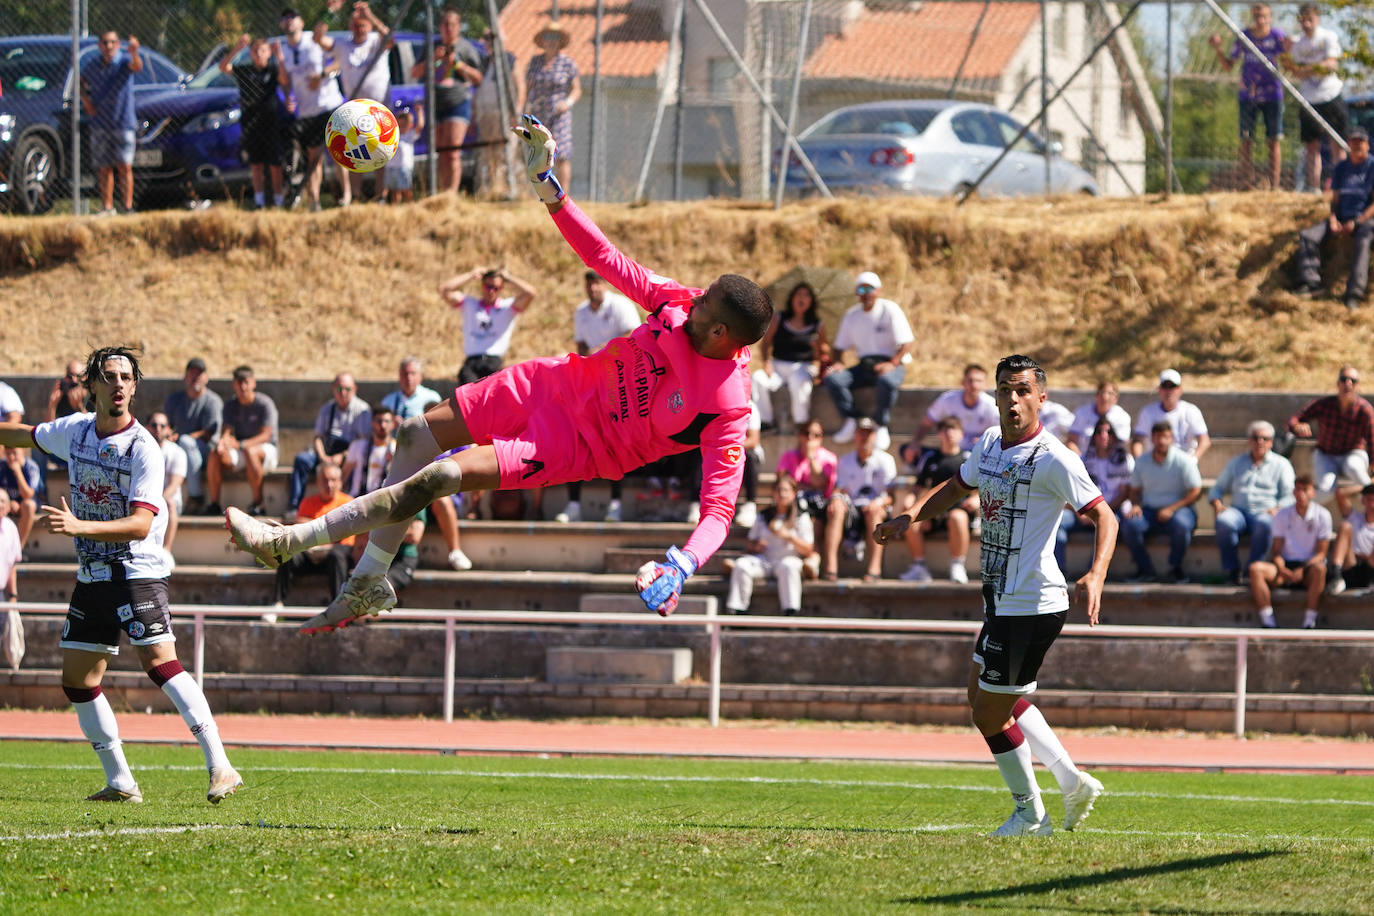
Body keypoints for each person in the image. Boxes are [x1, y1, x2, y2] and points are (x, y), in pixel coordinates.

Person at [226, 113, 773, 632]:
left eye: (706, 304)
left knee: (441, 476)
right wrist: (547, 184)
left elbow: (721, 511)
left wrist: (681, 565)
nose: (694, 299)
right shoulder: (682, 304)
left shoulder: (725, 404)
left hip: (573, 443)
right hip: (551, 382)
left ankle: (289, 541)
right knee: (416, 435)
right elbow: (609, 260)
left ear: (722, 334)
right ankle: (370, 579)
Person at [875, 354, 1115, 837]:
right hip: (1002, 600)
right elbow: (955, 487)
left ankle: (1030, 815)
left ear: (1041, 398)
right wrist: (911, 516)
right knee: (984, 693)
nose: (1013, 399)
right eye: (1005, 389)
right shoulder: (987, 443)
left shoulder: (1054, 457)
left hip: (1033, 602)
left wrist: (1096, 574)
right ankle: (1071, 781)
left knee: (988, 709)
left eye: (1023, 390)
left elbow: (1104, 515)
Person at [0, 347, 240, 804]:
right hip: (93, 574)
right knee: (78, 680)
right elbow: (26, 435)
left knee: (160, 664)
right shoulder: (73, 430)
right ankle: (121, 781)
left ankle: (221, 765)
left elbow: (142, 523)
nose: (119, 385)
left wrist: (79, 527)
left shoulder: (143, 448)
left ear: (134, 386)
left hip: (135, 571)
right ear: (92, 386)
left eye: (127, 378)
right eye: (109, 377)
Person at [554, 269, 643, 522]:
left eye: (598, 284)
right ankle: (573, 504)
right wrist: (584, 361)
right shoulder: (581, 311)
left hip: (620, 380)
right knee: (579, 437)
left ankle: (615, 503)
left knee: (616, 441)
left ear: (606, 285)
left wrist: (600, 352)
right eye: (589, 285)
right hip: (592, 380)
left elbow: (632, 337)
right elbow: (581, 345)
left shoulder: (621, 305)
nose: (593, 289)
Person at [822, 271, 913, 450]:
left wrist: (892, 363)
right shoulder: (851, 316)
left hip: (892, 362)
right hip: (864, 365)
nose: (866, 293)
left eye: (869, 288)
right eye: (861, 289)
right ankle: (851, 419)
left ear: (878, 290)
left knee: (887, 382)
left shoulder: (890, 309)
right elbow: (839, 346)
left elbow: (907, 342)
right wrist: (838, 362)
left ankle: (880, 424)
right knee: (834, 379)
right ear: (857, 292)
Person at [1292, 129, 1374, 311]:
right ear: (1349, 144)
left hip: (1365, 220)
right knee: (1308, 236)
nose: (1357, 145)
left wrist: (1358, 222)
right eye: (1353, 142)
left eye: (1361, 142)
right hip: (1342, 217)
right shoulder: (1341, 168)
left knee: (1363, 240)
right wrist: (1333, 219)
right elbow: (1335, 199)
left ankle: (1354, 293)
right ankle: (1311, 282)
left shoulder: (1372, 167)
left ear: (1368, 145)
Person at [1209, 3, 1286, 190]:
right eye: (1257, 16)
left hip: (1271, 94)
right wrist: (1218, 49)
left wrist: (1292, 52)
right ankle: (1246, 184)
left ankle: (1274, 186)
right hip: (1248, 96)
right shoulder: (1244, 37)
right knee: (1246, 140)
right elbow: (1229, 65)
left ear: (1270, 17)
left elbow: (1288, 62)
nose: (1260, 20)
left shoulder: (1277, 37)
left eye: (1264, 16)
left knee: (1273, 140)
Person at [1209, 420, 1295, 586]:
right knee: (1224, 520)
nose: (1259, 442)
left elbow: (1289, 497)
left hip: (1265, 512)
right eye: (1255, 438)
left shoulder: (1282, 465)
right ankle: (1232, 570)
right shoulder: (1236, 462)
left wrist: (1276, 509)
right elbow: (1217, 488)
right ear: (1249, 441)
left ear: (1271, 442)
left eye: (1265, 438)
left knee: (1265, 524)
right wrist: (1218, 505)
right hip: (1239, 511)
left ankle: (1251, 571)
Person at [324, 1, 393, 205]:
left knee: (381, 151)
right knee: (356, 154)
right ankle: (356, 195)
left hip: (378, 108)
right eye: (355, 25)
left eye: (363, 25)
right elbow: (319, 38)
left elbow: (390, 38)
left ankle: (380, 195)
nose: (359, 28)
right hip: (355, 109)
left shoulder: (375, 41)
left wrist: (369, 14)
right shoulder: (344, 45)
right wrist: (329, 12)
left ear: (369, 27)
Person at [410, 6, 484, 194]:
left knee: (452, 151)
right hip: (435, 104)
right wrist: (434, 59)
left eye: (452, 24)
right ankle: (442, 193)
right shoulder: (432, 47)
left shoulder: (466, 48)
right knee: (441, 152)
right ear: (440, 27)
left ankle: (451, 193)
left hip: (457, 103)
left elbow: (478, 78)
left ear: (458, 26)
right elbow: (415, 72)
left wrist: (457, 64)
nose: (448, 28)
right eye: (445, 24)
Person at [1287, 364, 1374, 519]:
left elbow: (1372, 439)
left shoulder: (1365, 410)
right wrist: (1298, 425)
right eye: (1343, 379)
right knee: (1326, 488)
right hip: (1325, 454)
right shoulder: (1324, 404)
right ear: (1337, 383)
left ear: (1358, 386)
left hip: (1353, 453)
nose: (1347, 383)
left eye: (1352, 380)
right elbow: (1294, 419)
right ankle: (1295, 511)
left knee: (1360, 475)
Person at [279, 7, 344, 211]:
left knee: (338, 151)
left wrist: (322, 75)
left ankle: (348, 196)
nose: (289, 21)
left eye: (293, 17)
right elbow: (286, 81)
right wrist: (288, 96)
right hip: (307, 111)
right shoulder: (282, 49)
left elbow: (340, 60)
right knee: (313, 157)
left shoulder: (313, 42)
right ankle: (314, 201)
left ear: (301, 23)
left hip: (328, 103)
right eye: (285, 18)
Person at [1120, 421, 1202, 584]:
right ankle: (1145, 570)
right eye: (1158, 437)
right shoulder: (1142, 462)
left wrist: (1172, 509)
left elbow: (1196, 491)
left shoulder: (1184, 460)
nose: (1161, 441)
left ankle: (1176, 569)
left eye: (1165, 437)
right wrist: (1135, 504)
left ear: (1171, 439)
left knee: (1182, 525)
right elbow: (1134, 491)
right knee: (1130, 525)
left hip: (1180, 509)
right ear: (1152, 439)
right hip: (1150, 510)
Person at [898, 416, 976, 584]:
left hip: (959, 510)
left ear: (961, 434)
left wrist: (976, 500)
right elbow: (918, 486)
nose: (949, 433)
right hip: (934, 511)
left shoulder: (968, 459)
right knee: (909, 519)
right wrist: (910, 501)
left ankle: (957, 565)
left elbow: (980, 488)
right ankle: (919, 567)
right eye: (945, 429)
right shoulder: (931, 458)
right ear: (939, 434)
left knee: (957, 516)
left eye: (953, 429)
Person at [724, 476, 814, 616]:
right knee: (741, 565)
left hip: (788, 558)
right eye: (778, 490)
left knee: (788, 566)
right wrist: (756, 546)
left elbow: (808, 550)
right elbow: (750, 543)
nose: (782, 494)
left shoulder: (801, 517)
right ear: (773, 493)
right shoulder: (764, 515)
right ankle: (737, 611)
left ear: (793, 493)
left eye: (785, 490)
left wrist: (789, 537)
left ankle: (791, 611)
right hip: (764, 560)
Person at [1250, 475, 1331, 629]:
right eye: (1298, 489)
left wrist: (1303, 569)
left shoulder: (1323, 515)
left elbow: (1321, 553)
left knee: (1320, 570)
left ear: (1313, 493)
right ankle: (1268, 622)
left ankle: (1309, 622)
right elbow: (1277, 551)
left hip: (1308, 568)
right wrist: (1282, 569)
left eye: (1305, 489)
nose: (1301, 493)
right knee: (1255, 569)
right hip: (1285, 567)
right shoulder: (1281, 515)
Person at [1284, 4, 1348, 194]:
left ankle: (1341, 186)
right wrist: (1287, 53)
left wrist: (1306, 69)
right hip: (1308, 99)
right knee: (1311, 146)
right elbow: (1292, 70)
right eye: (1303, 20)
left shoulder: (1328, 37)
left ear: (1317, 19)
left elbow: (1331, 64)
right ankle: (1313, 187)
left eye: (1310, 19)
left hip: (1331, 95)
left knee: (1338, 143)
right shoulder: (1297, 44)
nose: (1306, 24)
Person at [822, 419, 896, 582]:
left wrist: (878, 503)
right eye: (861, 433)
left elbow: (891, 496)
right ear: (855, 436)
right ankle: (831, 567)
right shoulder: (845, 461)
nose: (864, 437)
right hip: (853, 507)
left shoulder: (886, 460)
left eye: (868, 433)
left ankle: (875, 568)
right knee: (836, 508)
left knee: (875, 513)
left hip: (877, 507)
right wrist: (835, 499)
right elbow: (839, 489)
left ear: (875, 436)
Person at [1056, 417, 1133, 572]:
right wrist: (1082, 512)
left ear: (1114, 436)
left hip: (1111, 510)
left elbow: (1125, 493)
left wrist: (1100, 513)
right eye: (1099, 431)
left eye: (1108, 432)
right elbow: (1072, 490)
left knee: (1110, 524)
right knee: (1057, 522)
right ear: (1094, 436)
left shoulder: (1125, 460)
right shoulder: (1083, 459)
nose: (1104, 436)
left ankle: (1092, 574)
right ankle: (1059, 571)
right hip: (1083, 511)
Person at [220, 35, 288, 210]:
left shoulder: (273, 69)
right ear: (250, 53)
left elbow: (285, 80)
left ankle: (278, 202)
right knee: (256, 163)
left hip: (270, 122)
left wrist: (278, 56)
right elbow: (223, 67)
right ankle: (259, 202)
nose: (259, 54)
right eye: (255, 51)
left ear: (268, 53)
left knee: (275, 164)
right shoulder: (245, 70)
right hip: (251, 122)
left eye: (263, 51)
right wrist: (237, 49)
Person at [287, 372, 371, 514]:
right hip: (327, 453)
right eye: (339, 389)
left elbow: (362, 442)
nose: (343, 393)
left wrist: (343, 456)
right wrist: (323, 456)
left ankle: (353, 505)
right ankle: (294, 505)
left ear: (354, 389)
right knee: (302, 460)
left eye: (347, 389)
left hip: (348, 456)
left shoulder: (362, 410)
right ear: (333, 389)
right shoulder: (327, 409)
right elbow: (318, 437)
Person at [438, 267, 538, 384]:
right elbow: (444, 289)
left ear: (501, 289)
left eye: (496, 288)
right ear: (482, 286)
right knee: (466, 397)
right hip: (472, 363)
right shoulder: (470, 304)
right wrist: (470, 275)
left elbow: (531, 293)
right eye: (488, 286)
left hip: (494, 363)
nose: (491, 291)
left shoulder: (506, 306)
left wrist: (509, 278)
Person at [274, 464, 354, 609]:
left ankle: (338, 606)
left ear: (340, 482)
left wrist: (312, 525)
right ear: (318, 482)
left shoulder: (348, 503)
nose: (329, 484)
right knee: (285, 553)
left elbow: (346, 541)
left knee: (337, 556)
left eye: (333, 480)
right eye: (325, 480)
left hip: (334, 557)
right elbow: (299, 533)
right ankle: (277, 603)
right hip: (310, 554)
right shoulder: (308, 503)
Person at [80, 31, 142, 216]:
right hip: (100, 123)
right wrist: (87, 102)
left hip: (123, 122)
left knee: (125, 166)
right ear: (99, 45)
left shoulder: (124, 62)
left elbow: (137, 66)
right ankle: (108, 207)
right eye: (105, 42)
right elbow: (80, 82)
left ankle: (127, 206)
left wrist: (134, 52)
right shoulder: (93, 66)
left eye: (113, 42)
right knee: (104, 167)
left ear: (118, 44)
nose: (109, 46)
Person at [754, 281, 830, 431]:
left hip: (804, 366)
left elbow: (825, 351)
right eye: (798, 295)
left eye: (806, 295)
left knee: (799, 382)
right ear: (792, 298)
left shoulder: (817, 325)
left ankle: (801, 423)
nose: (801, 298)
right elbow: (765, 343)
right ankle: (766, 421)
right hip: (778, 365)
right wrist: (767, 362)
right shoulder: (779, 319)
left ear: (811, 301)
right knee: (758, 379)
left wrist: (818, 348)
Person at [205, 365, 279, 517]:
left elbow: (266, 435)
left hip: (267, 450)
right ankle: (214, 504)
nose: (243, 386)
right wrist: (222, 443)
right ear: (234, 385)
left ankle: (259, 503)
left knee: (250, 451)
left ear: (253, 383)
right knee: (214, 454)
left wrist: (241, 444)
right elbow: (226, 431)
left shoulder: (265, 404)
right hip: (242, 450)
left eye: (246, 382)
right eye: (239, 382)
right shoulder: (230, 405)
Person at [519, 21, 580, 196]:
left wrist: (567, 103)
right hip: (539, 115)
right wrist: (523, 110)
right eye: (548, 37)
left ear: (560, 41)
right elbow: (527, 87)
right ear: (543, 41)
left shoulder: (567, 63)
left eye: (555, 37)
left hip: (559, 116)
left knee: (562, 155)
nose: (551, 41)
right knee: (541, 156)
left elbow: (577, 89)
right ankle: (543, 194)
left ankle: (563, 196)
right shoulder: (535, 62)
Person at [162, 357, 223, 514]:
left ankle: (195, 496)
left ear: (206, 378)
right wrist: (168, 434)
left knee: (186, 442)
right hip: (180, 447)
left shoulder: (213, 401)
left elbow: (209, 432)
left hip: (206, 449)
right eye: (192, 373)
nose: (195, 377)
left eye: (199, 373)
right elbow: (166, 424)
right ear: (185, 377)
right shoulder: (174, 399)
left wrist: (180, 437)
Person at [1130, 369, 1210, 461]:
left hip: (1183, 465)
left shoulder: (1191, 411)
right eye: (1165, 386)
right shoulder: (1147, 412)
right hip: (1155, 465)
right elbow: (1137, 440)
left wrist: (1192, 461)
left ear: (1180, 390)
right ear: (1159, 389)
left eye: (1172, 386)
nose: (1168, 391)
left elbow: (1204, 440)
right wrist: (1140, 464)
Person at [920, 364, 1000, 452]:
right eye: (970, 380)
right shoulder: (948, 400)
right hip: (950, 452)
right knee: (906, 451)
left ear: (985, 385)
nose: (974, 385)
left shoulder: (992, 406)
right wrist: (915, 444)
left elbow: (1000, 434)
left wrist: (986, 441)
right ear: (963, 382)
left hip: (978, 455)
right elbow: (927, 423)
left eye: (979, 381)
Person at [146, 412, 186, 565]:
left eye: (162, 426)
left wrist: (156, 501)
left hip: (168, 502)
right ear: (147, 427)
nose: (158, 429)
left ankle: (166, 551)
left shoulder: (178, 452)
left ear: (168, 429)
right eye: (154, 425)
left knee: (169, 503)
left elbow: (175, 484)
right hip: (146, 499)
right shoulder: (140, 449)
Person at [1326, 482, 1374, 596]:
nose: (1372, 504)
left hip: (1371, 569)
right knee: (1345, 526)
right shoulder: (1354, 517)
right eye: (1369, 499)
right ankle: (1336, 576)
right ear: (1363, 501)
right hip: (1351, 564)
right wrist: (1365, 485)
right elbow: (1340, 494)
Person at [1066, 380, 1131, 454]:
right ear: (1096, 396)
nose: (1105, 397)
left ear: (1116, 398)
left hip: (1113, 461)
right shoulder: (1082, 413)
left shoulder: (1122, 417)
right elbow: (1071, 441)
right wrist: (1080, 461)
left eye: (1110, 394)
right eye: (1102, 392)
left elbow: (1122, 445)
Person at [0, 445, 40, 548]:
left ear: (23, 451)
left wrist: (18, 472)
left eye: (14, 453)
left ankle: (17, 550)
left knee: (29, 505)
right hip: (7, 505)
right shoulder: (2, 466)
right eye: (8, 454)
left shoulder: (31, 467)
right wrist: (8, 503)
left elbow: (28, 494)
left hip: (24, 506)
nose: (11, 457)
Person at [380, 356, 442, 422]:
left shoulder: (431, 398)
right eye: (405, 374)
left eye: (413, 373)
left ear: (420, 376)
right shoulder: (388, 401)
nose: (409, 378)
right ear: (399, 376)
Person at [385, 106, 423, 204]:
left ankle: (410, 205)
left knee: (405, 189)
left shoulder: (409, 135)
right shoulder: (393, 136)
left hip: (403, 167)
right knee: (393, 190)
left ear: (410, 125)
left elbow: (420, 126)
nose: (401, 127)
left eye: (404, 125)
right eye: (399, 124)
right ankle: (395, 207)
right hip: (390, 167)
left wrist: (419, 112)